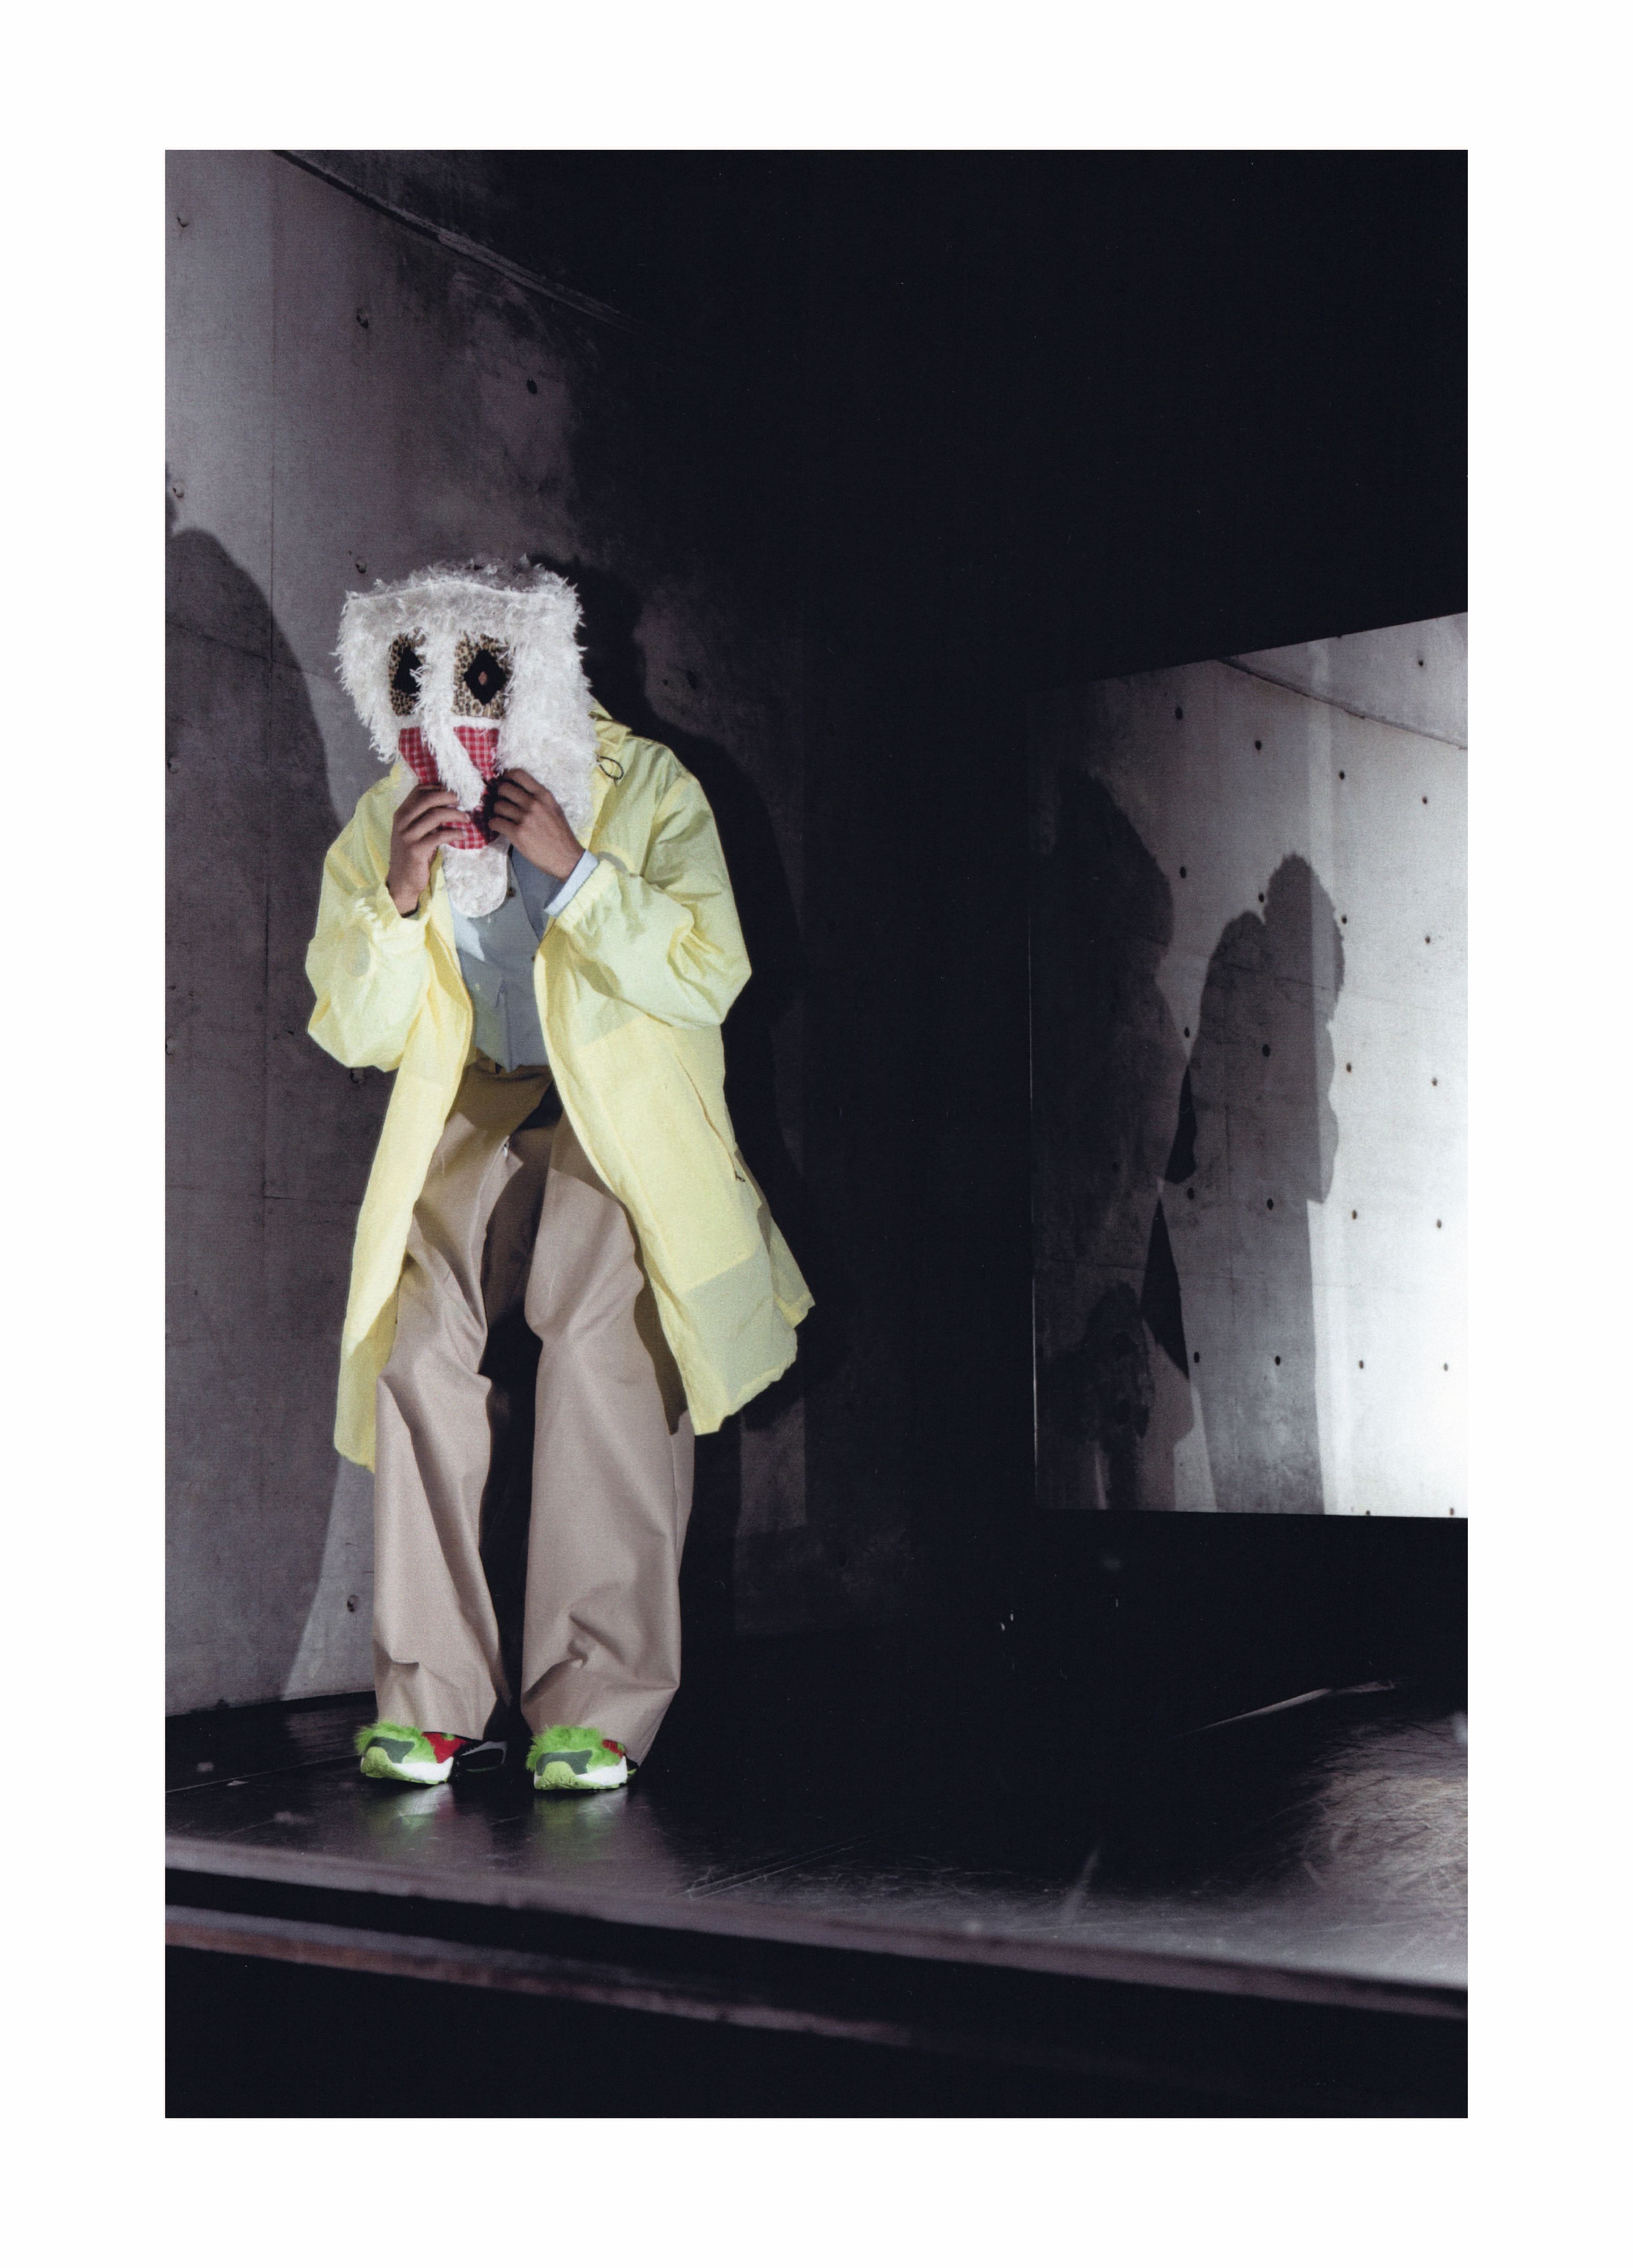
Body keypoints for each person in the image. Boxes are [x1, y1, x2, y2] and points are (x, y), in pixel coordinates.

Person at [306, 561, 810, 1792]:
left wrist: (578, 871)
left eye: (480, 670)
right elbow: (353, 1027)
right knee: (416, 1342)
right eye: (422, 674)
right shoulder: (391, 812)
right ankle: (427, 1700)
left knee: (599, 1331)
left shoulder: (648, 784)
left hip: (611, 1102)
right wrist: (399, 897)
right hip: (476, 1094)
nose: (451, 702)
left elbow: (712, 970)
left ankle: (597, 1703)